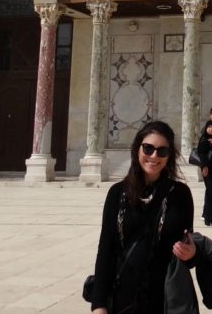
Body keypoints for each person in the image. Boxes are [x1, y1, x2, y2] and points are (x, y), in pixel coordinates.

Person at [84, 120, 196, 314]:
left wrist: (192, 253)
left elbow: (186, 253)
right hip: (122, 299)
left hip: (164, 301)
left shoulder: (180, 194)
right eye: (148, 148)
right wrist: (98, 305)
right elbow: (106, 251)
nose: (154, 156)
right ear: (137, 149)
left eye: (162, 151)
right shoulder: (117, 194)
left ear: (169, 156)